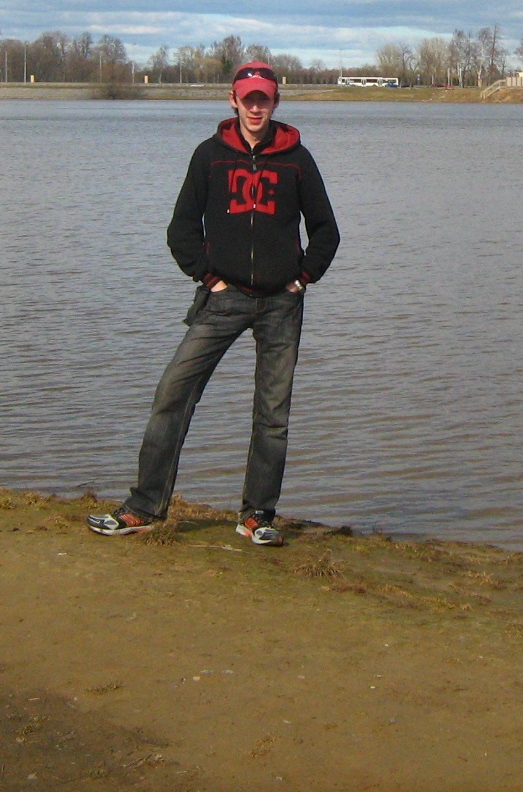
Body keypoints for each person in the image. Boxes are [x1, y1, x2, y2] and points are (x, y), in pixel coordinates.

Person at [88, 62, 340, 546]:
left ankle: (257, 515)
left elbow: (326, 231)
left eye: (263, 99)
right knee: (172, 394)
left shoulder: (298, 160)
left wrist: (302, 279)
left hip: (281, 304)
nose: (255, 108)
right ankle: (144, 507)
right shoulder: (209, 156)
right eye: (248, 99)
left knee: (273, 415)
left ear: (275, 102)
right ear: (233, 100)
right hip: (223, 300)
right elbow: (181, 229)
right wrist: (209, 278)